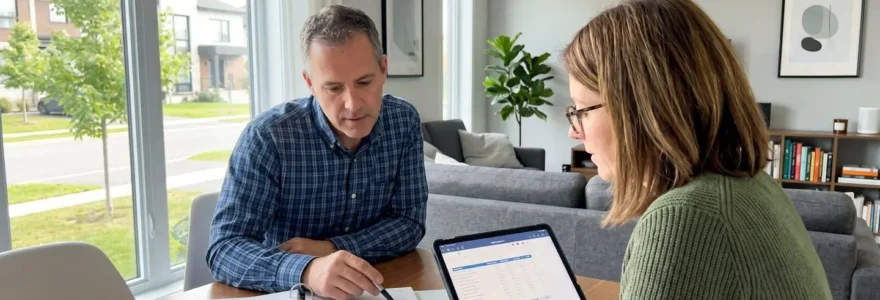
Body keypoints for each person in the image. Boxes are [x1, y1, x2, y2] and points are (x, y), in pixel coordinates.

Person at [563, 0, 831, 299]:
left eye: (583, 109)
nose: (574, 130)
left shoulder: (686, 216)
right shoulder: (754, 185)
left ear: (643, 108)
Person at [206, 5, 428, 299]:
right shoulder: (269, 137)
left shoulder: (404, 122)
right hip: (289, 291)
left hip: (378, 285)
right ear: (310, 83)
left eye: (364, 82)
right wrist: (307, 270)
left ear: (383, 69)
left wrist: (333, 247)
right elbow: (224, 248)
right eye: (334, 88)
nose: (352, 104)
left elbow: (409, 222)